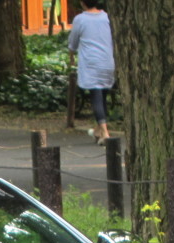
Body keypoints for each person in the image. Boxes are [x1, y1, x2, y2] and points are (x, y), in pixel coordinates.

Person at [67, 0, 115, 144]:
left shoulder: (80, 19)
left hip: (91, 63)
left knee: (96, 96)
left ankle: (105, 133)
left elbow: (73, 43)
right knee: (103, 96)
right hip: (107, 61)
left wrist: (71, 56)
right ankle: (97, 130)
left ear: (82, 3)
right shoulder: (107, 17)